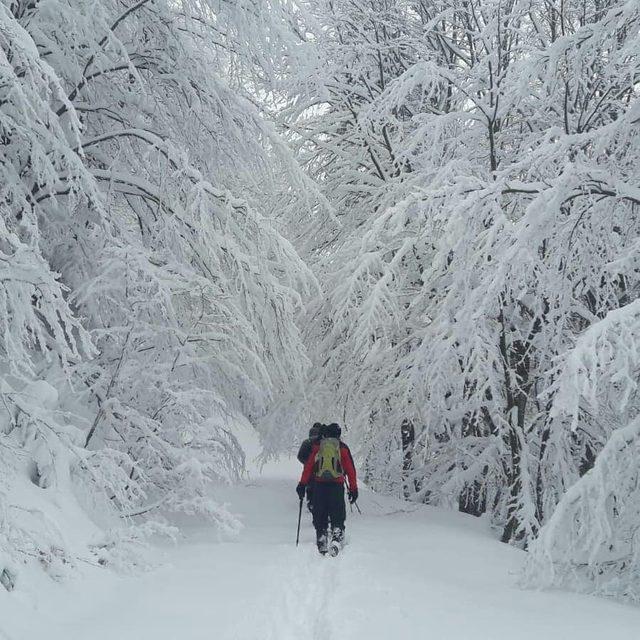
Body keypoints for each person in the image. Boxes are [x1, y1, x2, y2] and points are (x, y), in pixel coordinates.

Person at [296, 423, 358, 555]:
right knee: (337, 513)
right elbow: (351, 471)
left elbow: (308, 467)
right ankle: (336, 537)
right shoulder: (342, 448)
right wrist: (353, 489)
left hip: (319, 485)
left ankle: (322, 537)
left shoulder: (318, 447)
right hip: (337, 486)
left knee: (320, 513)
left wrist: (302, 484)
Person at [296, 423, 323, 512]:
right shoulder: (323, 443)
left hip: (309, 470)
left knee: (310, 485)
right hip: (322, 470)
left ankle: (311, 502)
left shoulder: (306, 442)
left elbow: (300, 456)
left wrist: (307, 463)